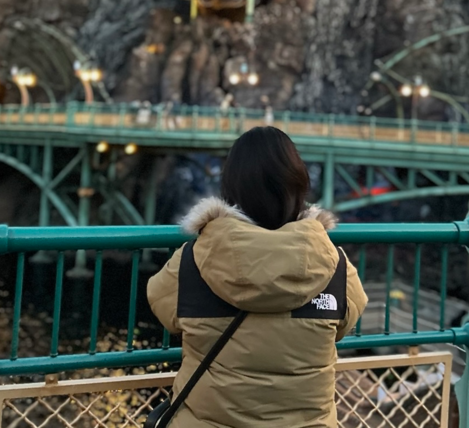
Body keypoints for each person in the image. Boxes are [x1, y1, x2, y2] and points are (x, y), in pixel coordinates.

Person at [147, 127, 367, 428]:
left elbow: (162, 307)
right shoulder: (336, 268)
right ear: (298, 185)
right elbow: (345, 322)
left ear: (230, 187)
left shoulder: (190, 262)